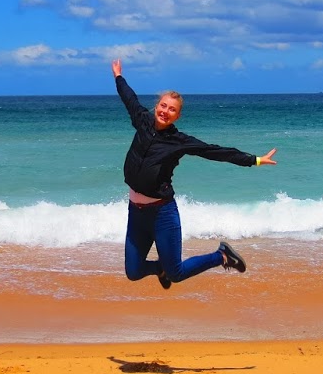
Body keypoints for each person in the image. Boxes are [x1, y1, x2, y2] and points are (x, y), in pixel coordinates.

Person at [111, 58, 276, 289]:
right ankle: (160, 269)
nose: (165, 111)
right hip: (136, 213)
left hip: (161, 213)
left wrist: (254, 160)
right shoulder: (142, 121)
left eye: (172, 110)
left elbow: (214, 151)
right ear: (156, 106)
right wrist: (118, 76)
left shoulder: (179, 141)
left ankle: (221, 256)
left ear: (177, 116)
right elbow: (129, 98)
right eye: (163, 106)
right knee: (134, 271)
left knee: (176, 274)